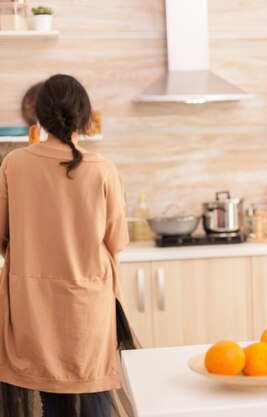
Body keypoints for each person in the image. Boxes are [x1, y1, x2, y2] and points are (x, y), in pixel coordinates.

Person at [0, 74, 135, 417]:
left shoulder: (14, 164)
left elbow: (2, 235)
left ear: (40, 117)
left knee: (52, 402)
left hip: (33, 308)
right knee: (96, 400)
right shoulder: (104, 171)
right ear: (84, 117)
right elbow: (117, 240)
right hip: (87, 311)